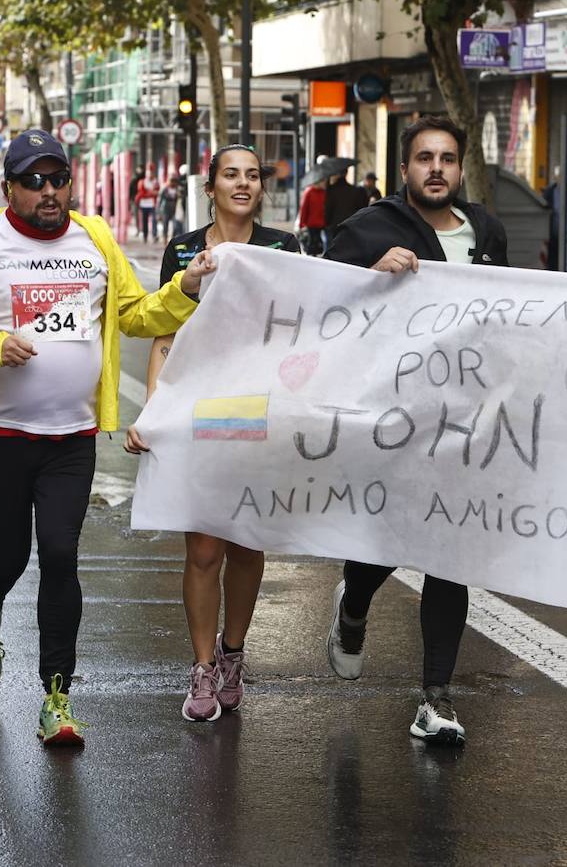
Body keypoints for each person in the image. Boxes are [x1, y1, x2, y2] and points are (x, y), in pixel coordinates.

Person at [0, 130, 215, 747]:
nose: (49, 192)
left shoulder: (94, 240)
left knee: (62, 556)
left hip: (70, 438)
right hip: (1, 435)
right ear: (9, 188)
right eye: (34, 181)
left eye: (58, 179)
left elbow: (132, 316)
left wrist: (184, 291)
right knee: (8, 558)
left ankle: (56, 696)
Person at [324, 114, 508, 746]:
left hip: (465, 420)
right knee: (390, 536)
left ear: (461, 168)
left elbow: (517, 312)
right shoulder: (369, 228)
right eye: (424, 158)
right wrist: (369, 272)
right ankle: (355, 603)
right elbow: (318, 300)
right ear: (405, 169)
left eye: (448, 159)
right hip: (392, 417)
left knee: (448, 553)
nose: (437, 169)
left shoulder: (486, 230)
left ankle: (436, 697)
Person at [125, 144, 301, 722]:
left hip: (262, 413)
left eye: (253, 174)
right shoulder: (182, 249)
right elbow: (164, 333)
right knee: (203, 548)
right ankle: (202, 668)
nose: (243, 184)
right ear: (212, 186)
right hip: (200, 413)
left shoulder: (284, 248)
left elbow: (311, 321)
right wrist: (153, 412)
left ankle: (233, 652)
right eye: (232, 174)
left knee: (248, 543)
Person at [324, 168, 368, 233]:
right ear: (346, 173)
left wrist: (326, 223)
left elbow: (328, 209)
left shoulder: (331, 190)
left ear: (337, 174)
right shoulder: (356, 191)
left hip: (335, 227)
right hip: (351, 225)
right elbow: (361, 208)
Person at [297, 174, 327, 256]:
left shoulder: (324, 192)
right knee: (312, 243)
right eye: (323, 181)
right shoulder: (309, 191)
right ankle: (311, 259)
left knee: (320, 244)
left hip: (322, 223)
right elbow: (304, 208)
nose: (324, 183)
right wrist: (301, 224)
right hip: (311, 223)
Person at [135, 165, 161, 242]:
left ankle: (154, 235)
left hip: (152, 204)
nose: (150, 174)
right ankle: (145, 236)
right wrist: (151, 193)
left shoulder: (155, 182)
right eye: (148, 173)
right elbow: (141, 193)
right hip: (143, 204)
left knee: (154, 220)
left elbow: (157, 192)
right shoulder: (142, 182)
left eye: (151, 172)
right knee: (144, 221)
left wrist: (148, 193)